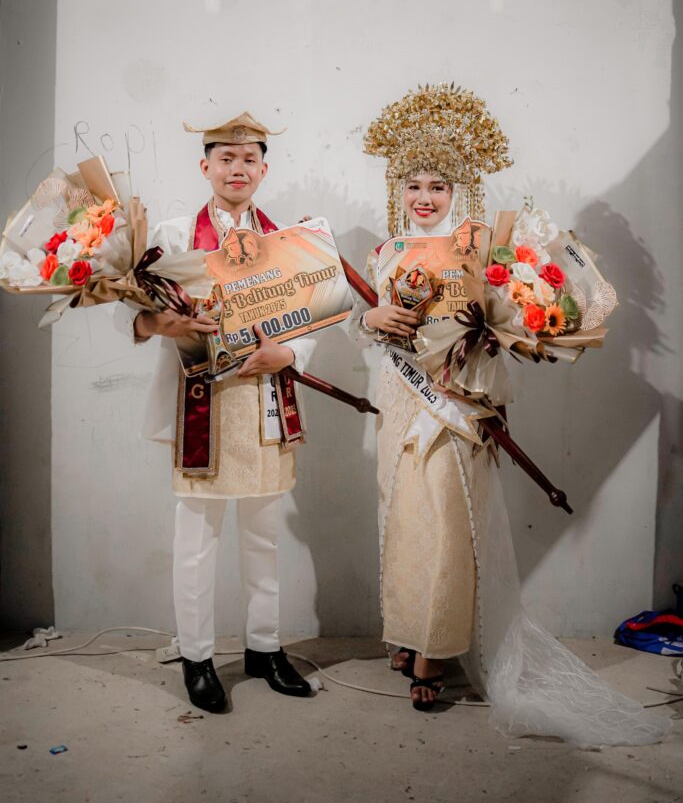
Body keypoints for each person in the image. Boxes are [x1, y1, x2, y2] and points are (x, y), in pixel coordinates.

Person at [355, 83, 670, 744]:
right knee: (402, 523)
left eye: (437, 185)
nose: (424, 197)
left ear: (458, 189)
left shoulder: (481, 249)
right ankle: (407, 633)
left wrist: (500, 343)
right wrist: (369, 318)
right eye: (413, 185)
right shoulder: (384, 254)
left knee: (448, 529)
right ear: (397, 189)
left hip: (455, 406)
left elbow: (507, 322)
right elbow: (370, 334)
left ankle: (435, 651)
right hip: (398, 403)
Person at [115, 112, 315, 713]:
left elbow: (313, 316)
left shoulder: (288, 241)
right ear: (205, 167)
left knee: (263, 536)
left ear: (264, 170)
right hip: (200, 403)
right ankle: (198, 658)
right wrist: (161, 323)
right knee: (197, 541)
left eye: (249, 159)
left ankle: (264, 648)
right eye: (226, 159)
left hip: (263, 401)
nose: (237, 169)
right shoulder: (174, 237)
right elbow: (130, 315)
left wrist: (289, 353)